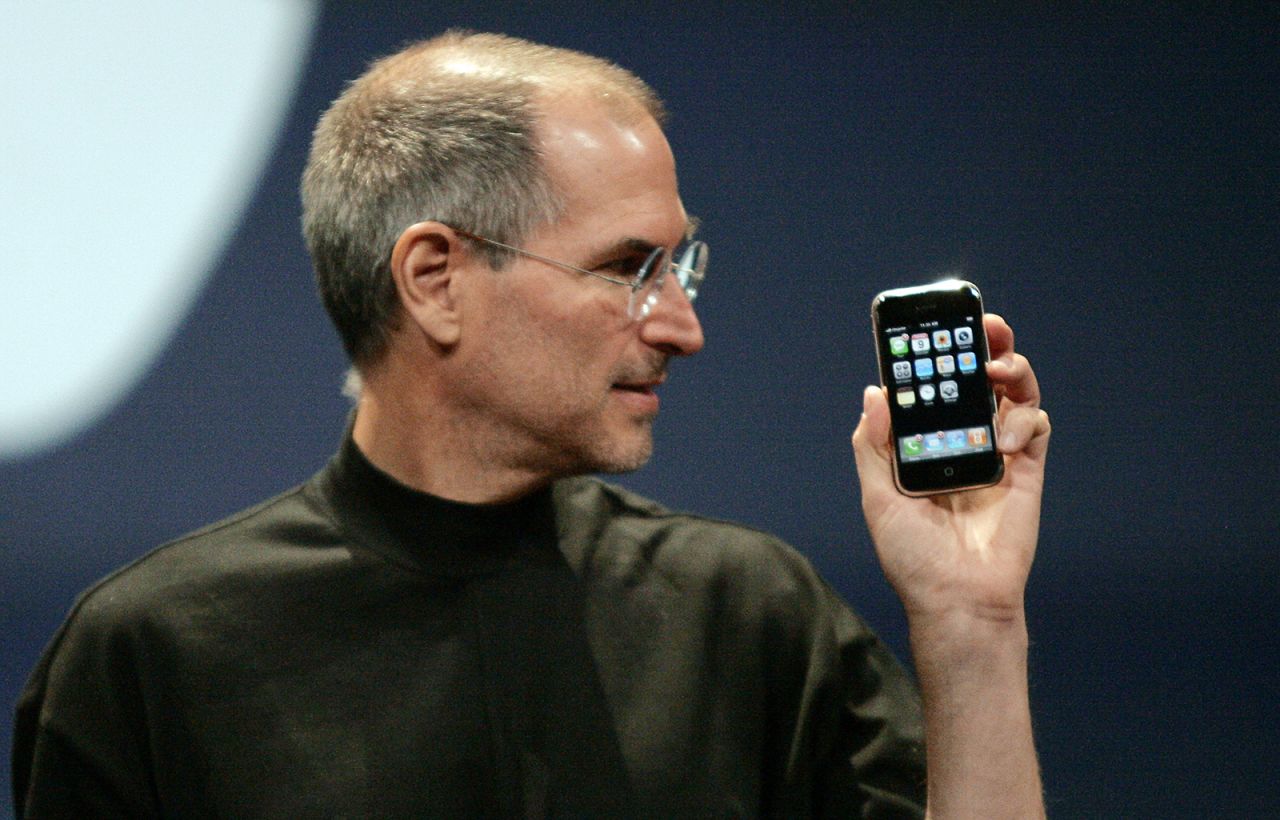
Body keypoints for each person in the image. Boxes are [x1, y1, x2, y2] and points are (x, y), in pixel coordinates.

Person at [13, 31, 1050, 818]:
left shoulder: (749, 618)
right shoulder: (153, 653)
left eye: (678, 264)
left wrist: (972, 627)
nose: (682, 326)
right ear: (435, 280)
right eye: (625, 268)